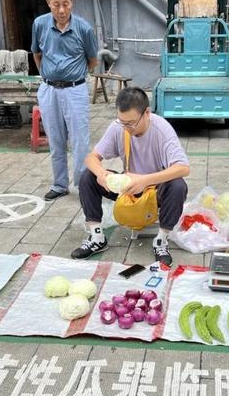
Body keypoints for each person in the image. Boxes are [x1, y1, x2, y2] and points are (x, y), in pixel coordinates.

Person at [71, 88, 190, 266]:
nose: (127, 127)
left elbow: (183, 168)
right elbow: (91, 158)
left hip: (154, 188)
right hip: (128, 187)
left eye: (131, 123)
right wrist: (101, 174)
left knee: (178, 186)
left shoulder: (162, 130)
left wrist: (144, 180)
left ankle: (161, 240)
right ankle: (97, 237)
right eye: (123, 122)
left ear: (147, 113)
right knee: (88, 176)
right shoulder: (118, 127)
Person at [32, 0, 98, 201]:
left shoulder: (84, 29)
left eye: (66, 4)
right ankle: (60, 185)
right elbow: (37, 54)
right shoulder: (39, 24)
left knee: (80, 142)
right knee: (56, 141)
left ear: (73, 2)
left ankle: (83, 186)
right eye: (56, 4)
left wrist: (74, 77)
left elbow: (92, 60)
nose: (61, 10)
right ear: (48, 3)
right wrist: (48, 77)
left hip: (75, 90)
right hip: (49, 90)